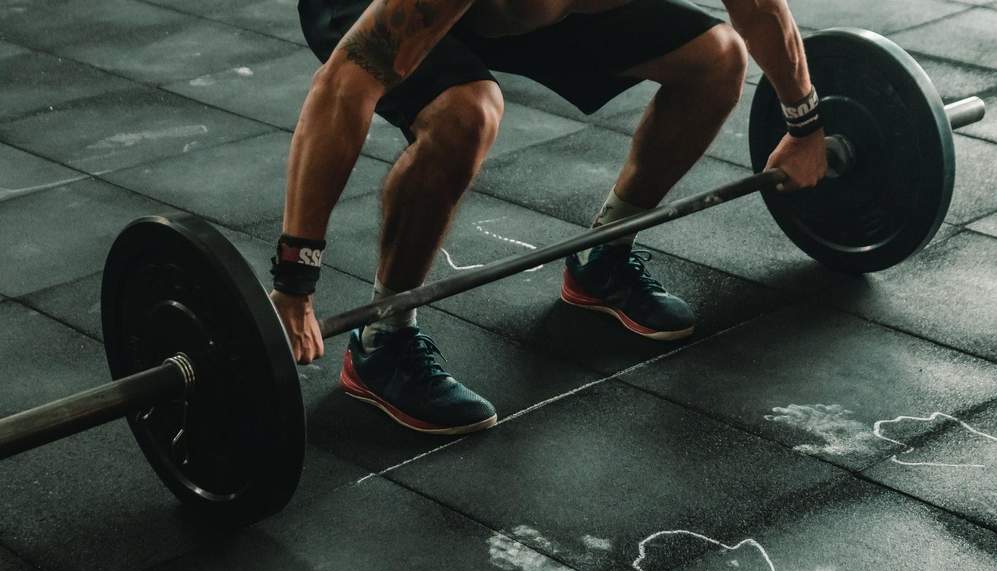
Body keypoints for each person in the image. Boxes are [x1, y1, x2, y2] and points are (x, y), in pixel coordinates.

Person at [271, 0, 827, 434]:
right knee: (466, 115)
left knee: (717, 58)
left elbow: (758, 9)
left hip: (527, 13)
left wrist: (804, 123)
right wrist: (296, 280)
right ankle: (383, 341)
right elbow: (343, 88)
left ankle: (603, 260)